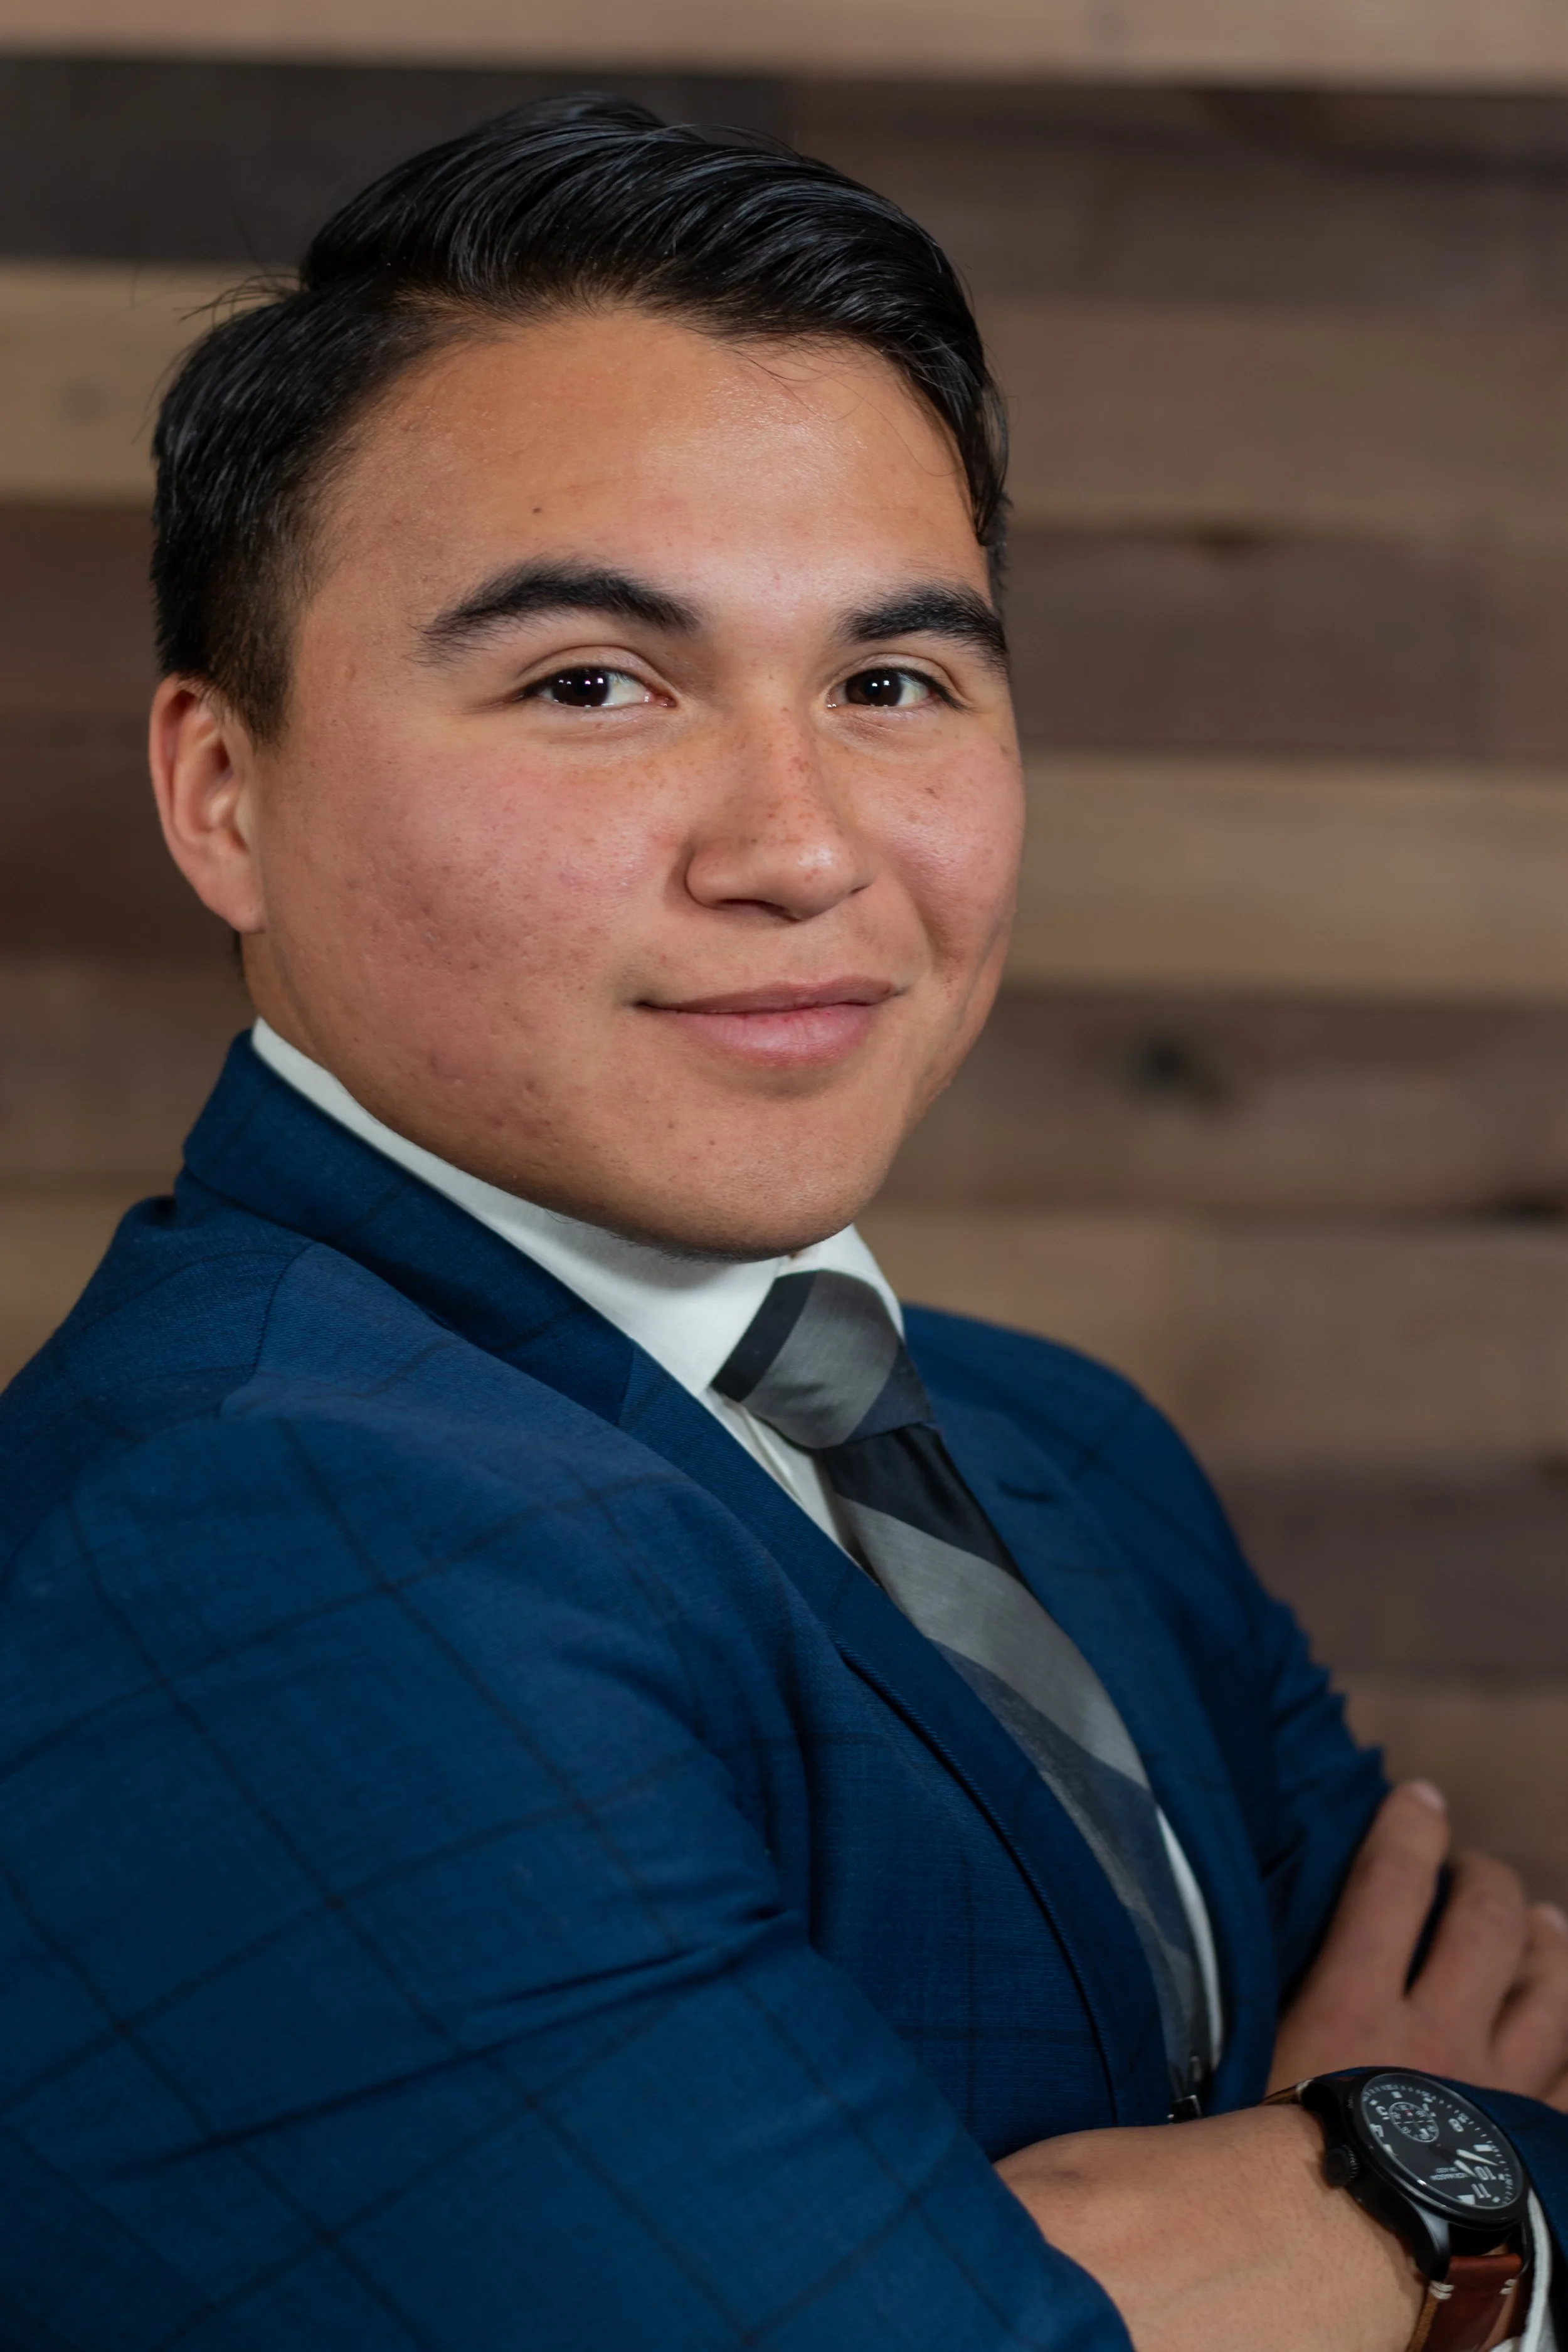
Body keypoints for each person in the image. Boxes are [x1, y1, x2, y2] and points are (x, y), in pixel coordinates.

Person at [1, 95, 1565, 2352]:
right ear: (220, 791)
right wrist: (1439, 2211)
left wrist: (1345, 2196)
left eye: (891, 681)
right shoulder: (242, 1527)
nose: (799, 844)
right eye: (591, 684)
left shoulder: (1065, 1451)